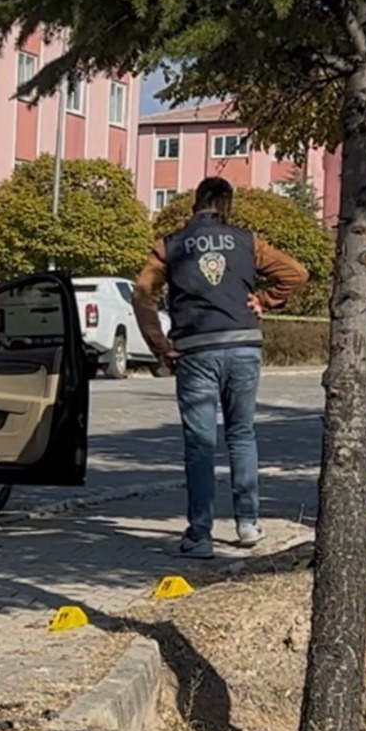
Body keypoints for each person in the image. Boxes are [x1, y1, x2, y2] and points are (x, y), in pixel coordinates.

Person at [130, 177, 308, 559]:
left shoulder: (169, 246)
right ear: (226, 205)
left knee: (200, 444)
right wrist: (266, 299)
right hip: (243, 346)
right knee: (242, 434)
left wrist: (160, 348)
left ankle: (200, 536)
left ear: (196, 205)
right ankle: (247, 524)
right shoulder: (248, 241)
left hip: (194, 350)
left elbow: (143, 296)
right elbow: (296, 273)